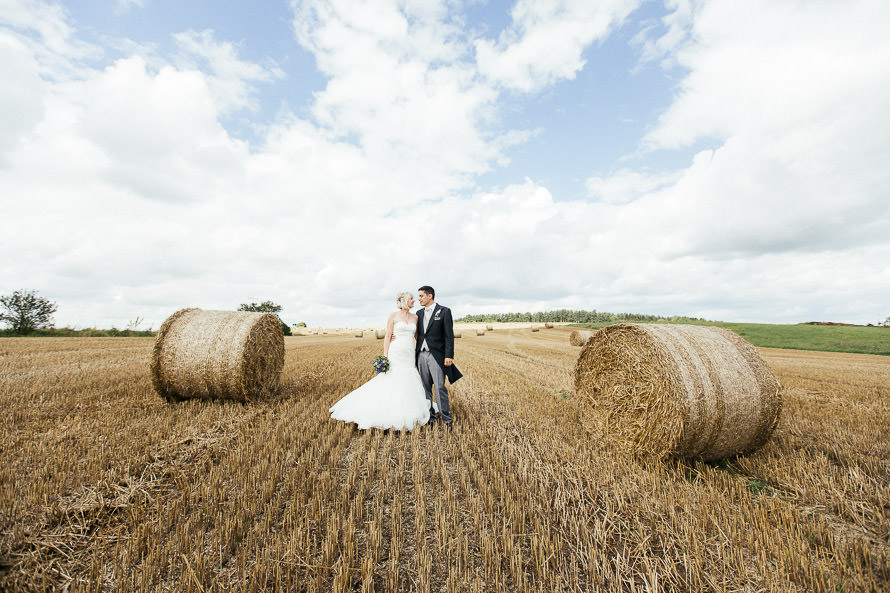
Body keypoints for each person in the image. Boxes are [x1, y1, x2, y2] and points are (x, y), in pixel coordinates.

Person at [329, 292, 430, 431]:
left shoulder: (416, 317)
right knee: (392, 378)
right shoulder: (393, 316)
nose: (414, 300)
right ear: (405, 300)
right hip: (396, 351)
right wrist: (385, 355)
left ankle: (410, 411)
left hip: (409, 353)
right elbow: (388, 335)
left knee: (409, 377)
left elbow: (417, 336)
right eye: (412, 298)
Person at [415, 285, 462, 429]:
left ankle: (447, 419)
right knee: (425, 388)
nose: (419, 299)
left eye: (421, 296)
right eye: (418, 297)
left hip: (437, 355)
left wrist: (449, 355)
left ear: (430, 296)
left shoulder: (444, 311)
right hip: (421, 355)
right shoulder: (418, 313)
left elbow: (449, 336)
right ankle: (430, 417)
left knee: (440, 387)